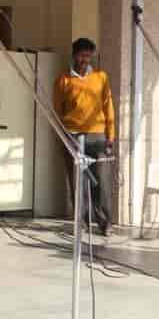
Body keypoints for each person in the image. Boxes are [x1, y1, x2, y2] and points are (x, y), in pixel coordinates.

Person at [53, 37, 116, 235]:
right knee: (77, 182)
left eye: (88, 56)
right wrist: (63, 136)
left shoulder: (101, 77)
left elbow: (108, 106)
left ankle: (105, 223)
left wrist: (110, 136)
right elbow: (57, 111)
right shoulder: (63, 80)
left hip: (98, 136)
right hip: (73, 137)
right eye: (82, 56)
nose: (85, 60)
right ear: (74, 56)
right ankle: (81, 222)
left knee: (102, 182)